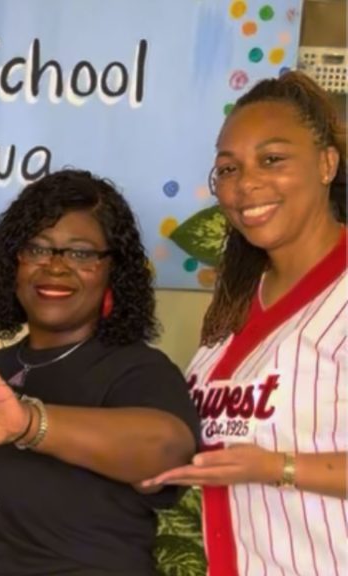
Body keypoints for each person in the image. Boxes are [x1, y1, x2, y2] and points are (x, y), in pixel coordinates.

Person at [0, 169, 201, 575]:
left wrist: (29, 423)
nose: (56, 267)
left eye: (81, 253)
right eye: (38, 249)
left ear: (113, 271)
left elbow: (167, 451)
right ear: (15, 264)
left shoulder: (135, 369)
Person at [143, 72, 347, 575]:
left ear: (327, 164)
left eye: (272, 160)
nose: (246, 184)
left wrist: (279, 467)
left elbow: (261, 460)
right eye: (228, 169)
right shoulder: (235, 301)